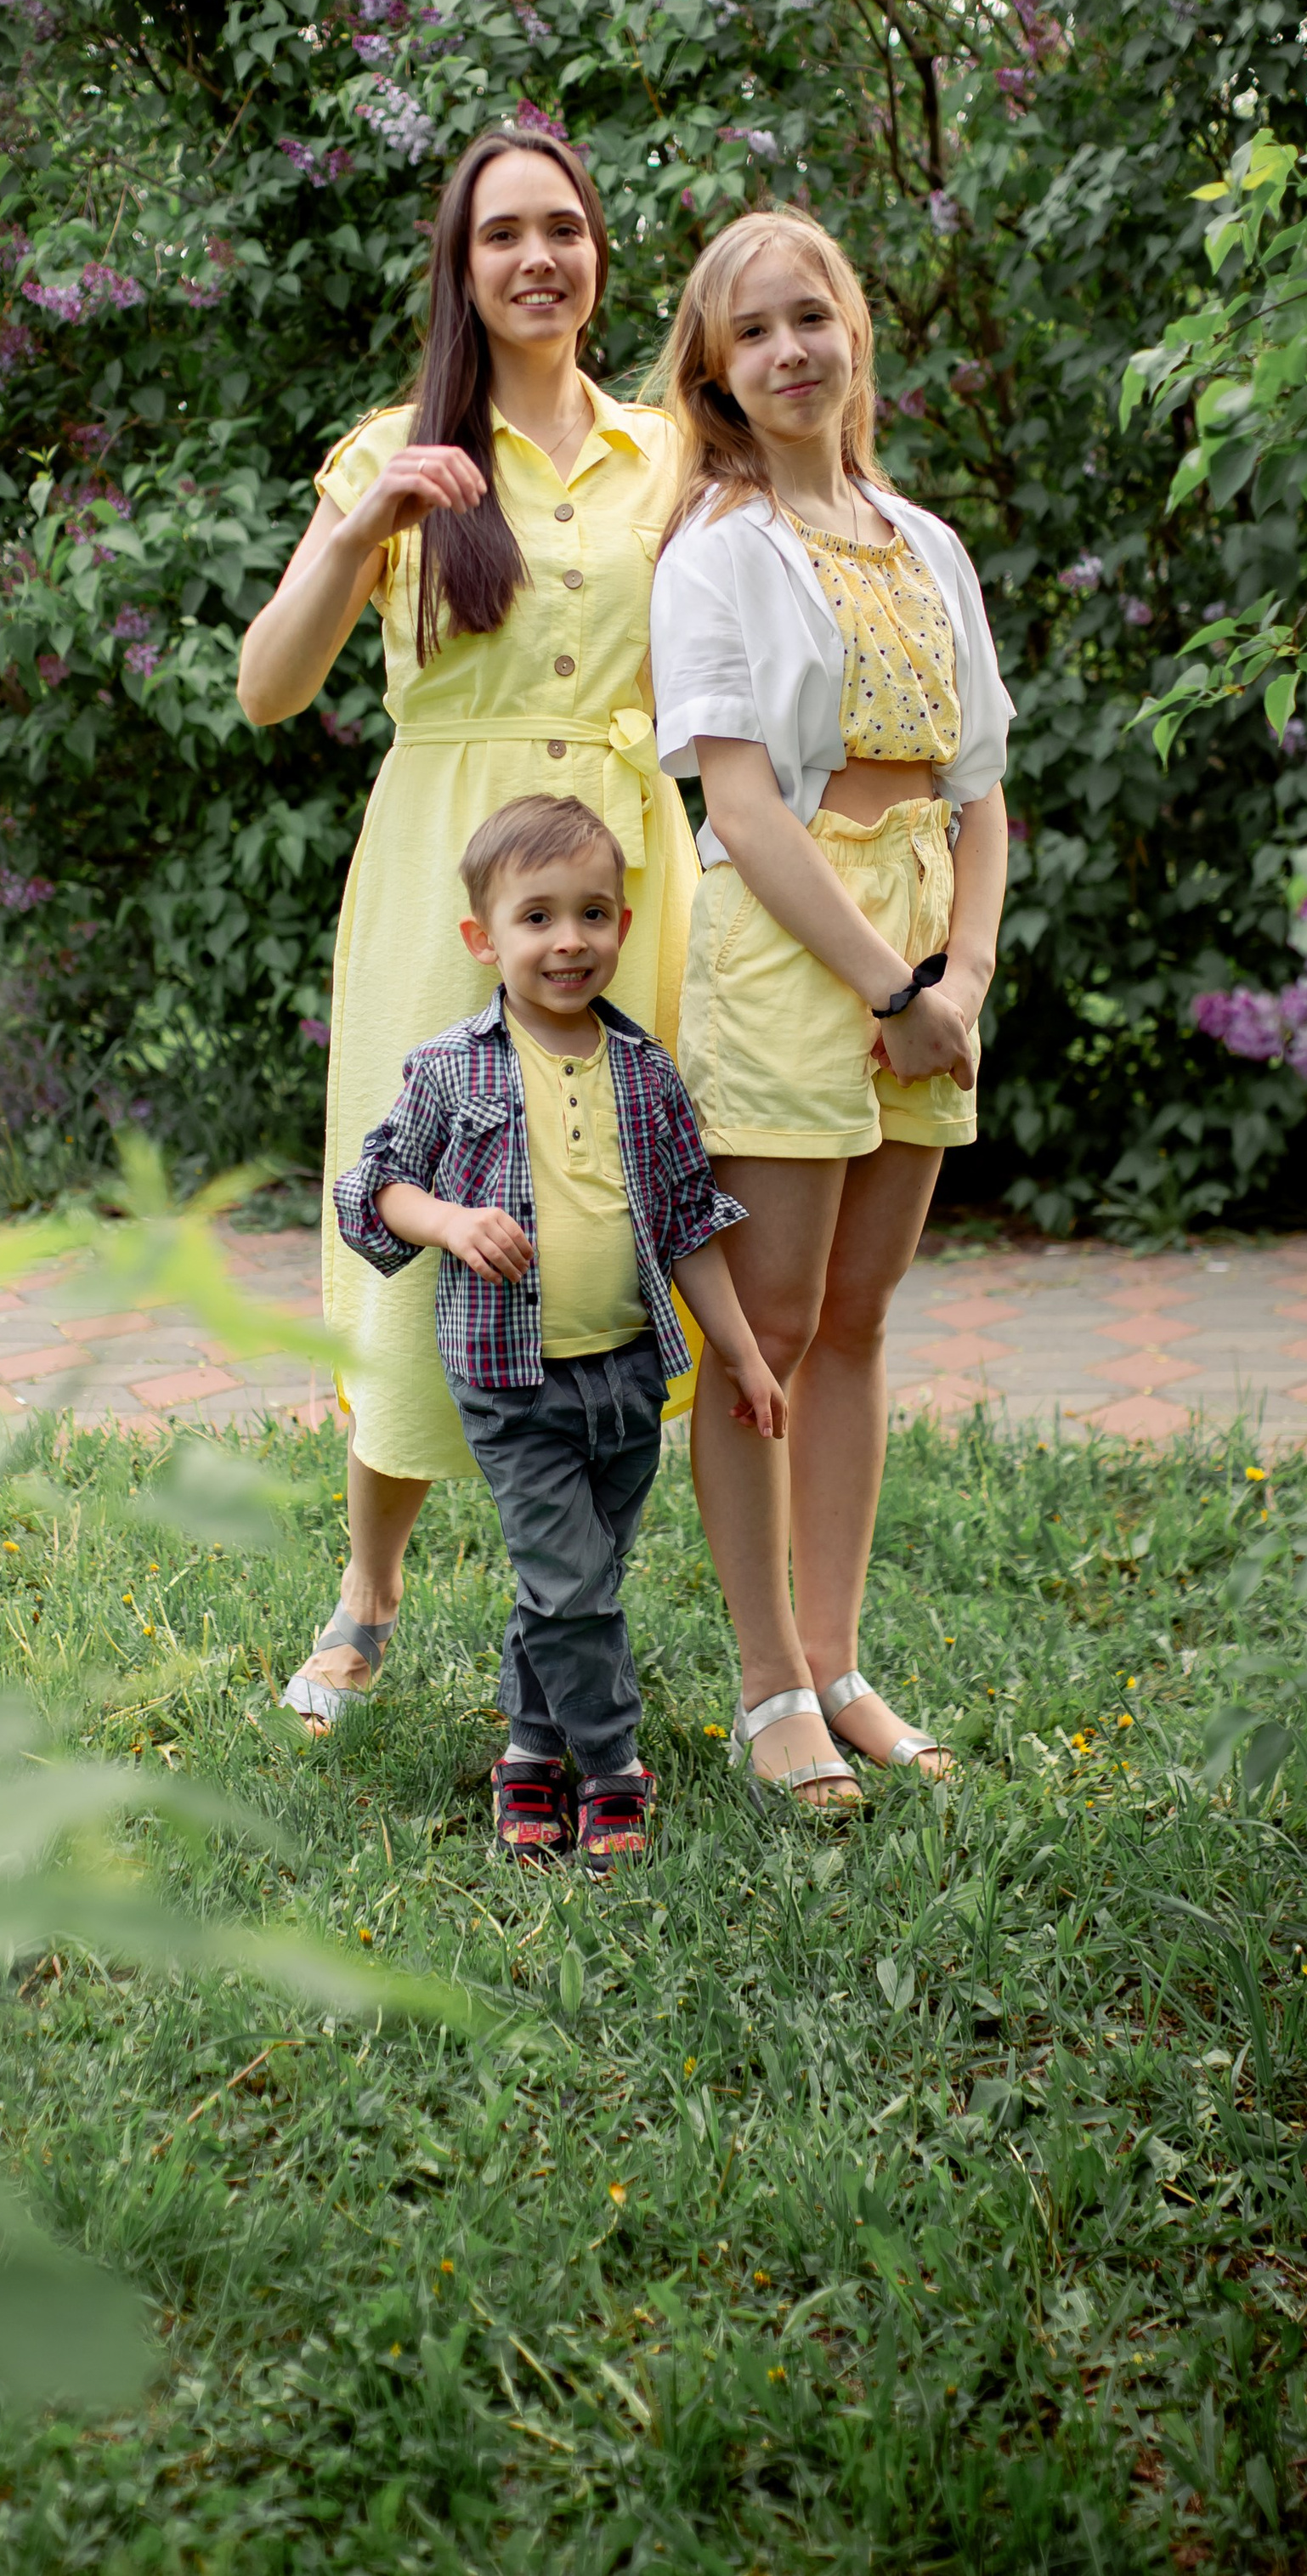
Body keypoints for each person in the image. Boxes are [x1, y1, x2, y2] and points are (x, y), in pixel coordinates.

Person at [236, 128, 697, 1731]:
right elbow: (269, 687)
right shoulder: (394, 451)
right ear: (462, 263)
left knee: (602, 1209)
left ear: (600, 256)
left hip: (627, 871)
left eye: (564, 227)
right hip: (449, 865)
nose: (537, 257)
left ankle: (572, 1597)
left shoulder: (667, 454)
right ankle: (368, 1586)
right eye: (503, 233)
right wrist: (358, 526)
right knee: (434, 1180)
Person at [647, 209, 1014, 1808]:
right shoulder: (715, 552)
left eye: (812, 316)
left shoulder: (927, 543)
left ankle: (842, 1663)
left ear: (854, 332)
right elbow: (741, 804)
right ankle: (768, 1686)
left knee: (860, 1318)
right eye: (754, 331)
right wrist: (887, 985)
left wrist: (961, 979)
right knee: (770, 1332)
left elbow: (982, 790)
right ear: (716, 373)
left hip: (929, 943)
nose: (790, 350)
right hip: (796, 949)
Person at [333, 795, 785, 1863]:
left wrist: (744, 1352)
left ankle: (530, 1751)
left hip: (627, 1375)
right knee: (572, 1581)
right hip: (512, 1380)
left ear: (624, 924)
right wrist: (450, 1221)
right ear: (483, 938)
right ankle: (613, 1765)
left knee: (572, 1583)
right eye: (536, 917)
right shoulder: (452, 1066)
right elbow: (373, 1188)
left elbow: (687, 1225)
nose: (568, 939)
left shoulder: (646, 1072)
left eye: (591, 913)